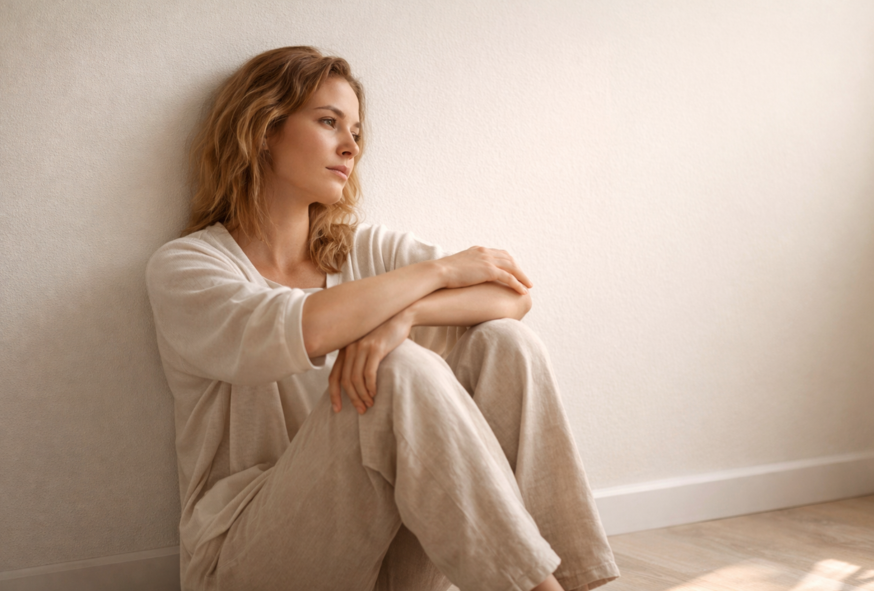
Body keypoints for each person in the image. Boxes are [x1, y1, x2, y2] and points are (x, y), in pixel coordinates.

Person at [145, 46, 619, 591]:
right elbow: (308, 327)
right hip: (250, 560)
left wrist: (407, 316)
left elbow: (510, 295)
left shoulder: (364, 251)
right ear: (263, 129)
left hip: (389, 554)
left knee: (506, 343)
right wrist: (439, 271)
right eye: (328, 123)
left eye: (357, 133)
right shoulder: (189, 267)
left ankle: (581, 584)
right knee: (401, 371)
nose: (350, 147)